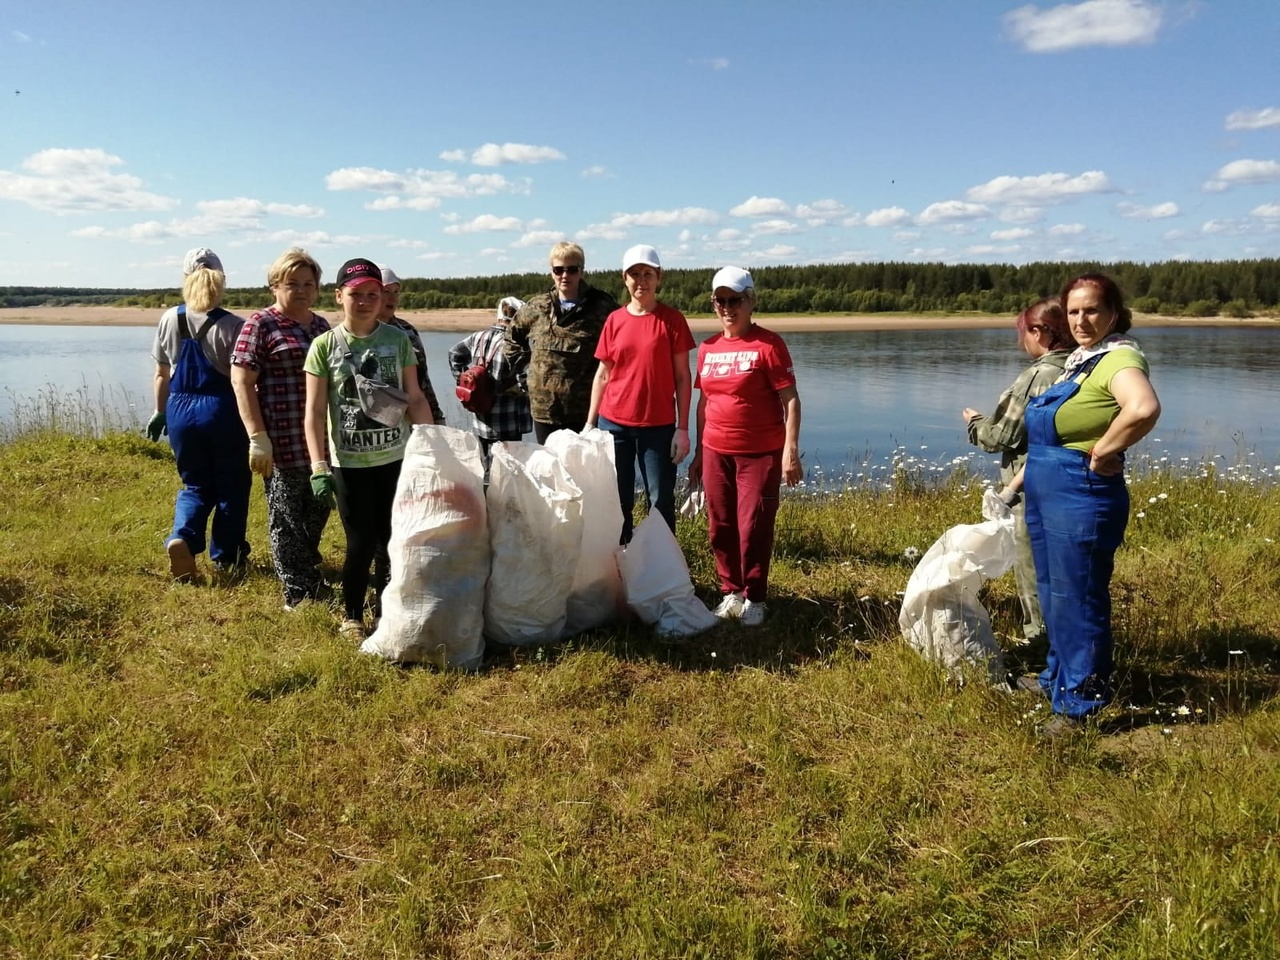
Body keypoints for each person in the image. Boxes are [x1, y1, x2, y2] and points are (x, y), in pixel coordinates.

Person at [1018, 273, 1161, 737]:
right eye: (1074, 311)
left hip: (1080, 492)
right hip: (1047, 486)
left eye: (1092, 310)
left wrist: (1105, 450)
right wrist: (1016, 484)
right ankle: (1057, 679)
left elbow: (1142, 408)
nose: (1081, 319)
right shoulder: (1081, 361)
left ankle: (1081, 705)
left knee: (1078, 597)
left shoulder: (1119, 357)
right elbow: (1050, 432)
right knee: (1054, 591)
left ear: (1113, 314)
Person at [303, 258, 435, 639]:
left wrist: (432, 448)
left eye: (372, 295)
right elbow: (313, 414)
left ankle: (386, 611)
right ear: (339, 296)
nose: (363, 302)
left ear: (383, 298)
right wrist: (318, 467)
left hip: (395, 460)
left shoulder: (397, 341)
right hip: (349, 464)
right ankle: (352, 616)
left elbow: (414, 397)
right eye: (355, 294)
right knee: (359, 543)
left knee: (394, 540)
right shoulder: (324, 347)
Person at [688, 267, 802, 627]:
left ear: (751, 301)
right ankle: (731, 591)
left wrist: (790, 450)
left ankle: (756, 597)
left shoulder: (768, 345)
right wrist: (697, 453)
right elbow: (704, 403)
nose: (727, 307)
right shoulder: (707, 349)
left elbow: (791, 401)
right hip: (715, 449)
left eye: (735, 299)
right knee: (720, 525)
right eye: (720, 300)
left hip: (760, 451)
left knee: (752, 525)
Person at [960, 298, 1073, 649]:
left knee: (1032, 571)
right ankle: (1068, 647)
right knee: (1066, 573)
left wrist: (976, 423)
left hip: (1032, 489)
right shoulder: (1081, 367)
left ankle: (1041, 650)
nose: (1022, 340)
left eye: (1023, 333)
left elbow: (1002, 436)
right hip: (1072, 487)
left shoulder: (1038, 375)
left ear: (1039, 332)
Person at [231, 248, 332, 610]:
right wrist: (257, 437)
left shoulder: (321, 326)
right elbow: (241, 381)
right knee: (286, 517)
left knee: (317, 510)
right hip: (282, 437)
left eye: (308, 283)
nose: (301, 290)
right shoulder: (261, 325)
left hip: (321, 441)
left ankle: (306, 570)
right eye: (292, 284)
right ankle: (298, 593)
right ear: (275, 286)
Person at [148, 247, 251, 581]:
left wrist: (159, 412)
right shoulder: (235, 326)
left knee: (194, 485)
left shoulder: (169, 318)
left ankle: (183, 537)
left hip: (179, 409)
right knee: (231, 486)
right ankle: (227, 557)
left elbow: (162, 373)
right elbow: (243, 381)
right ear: (221, 282)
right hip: (221, 409)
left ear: (185, 279)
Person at [586, 244, 694, 542]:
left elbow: (683, 378)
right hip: (614, 425)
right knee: (618, 503)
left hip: (657, 429)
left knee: (659, 502)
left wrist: (682, 429)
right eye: (634, 274)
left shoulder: (672, 320)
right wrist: (589, 424)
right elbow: (603, 374)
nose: (641, 281)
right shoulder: (615, 320)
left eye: (648, 273)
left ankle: (661, 571)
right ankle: (621, 568)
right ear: (625, 278)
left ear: (659, 277)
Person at [502, 241, 618, 442]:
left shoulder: (601, 306)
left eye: (572, 269)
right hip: (543, 410)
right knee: (549, 468)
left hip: (584, 411)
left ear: (581, 272)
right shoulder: (537, 306)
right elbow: (512, 337)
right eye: (559, 270)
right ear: (551, 272)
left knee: (581, 469)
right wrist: (526, 371)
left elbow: (621, 343)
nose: (565, 276)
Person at [448, 296, 532, 468]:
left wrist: (462, 380)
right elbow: (526, 381)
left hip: (480, 420)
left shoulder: (478, 337)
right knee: (508, 473)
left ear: (499, 315)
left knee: (485, 468)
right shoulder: (516, 345)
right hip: (508, 423)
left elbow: (454, 354)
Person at [376, 265, 445, 425]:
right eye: (386, 291)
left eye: (396, 292)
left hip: (415, 415)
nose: (392, 298)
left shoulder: (407, 330)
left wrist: (436, 415)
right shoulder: (364, 333)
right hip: (382, 423)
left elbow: (424, 379)